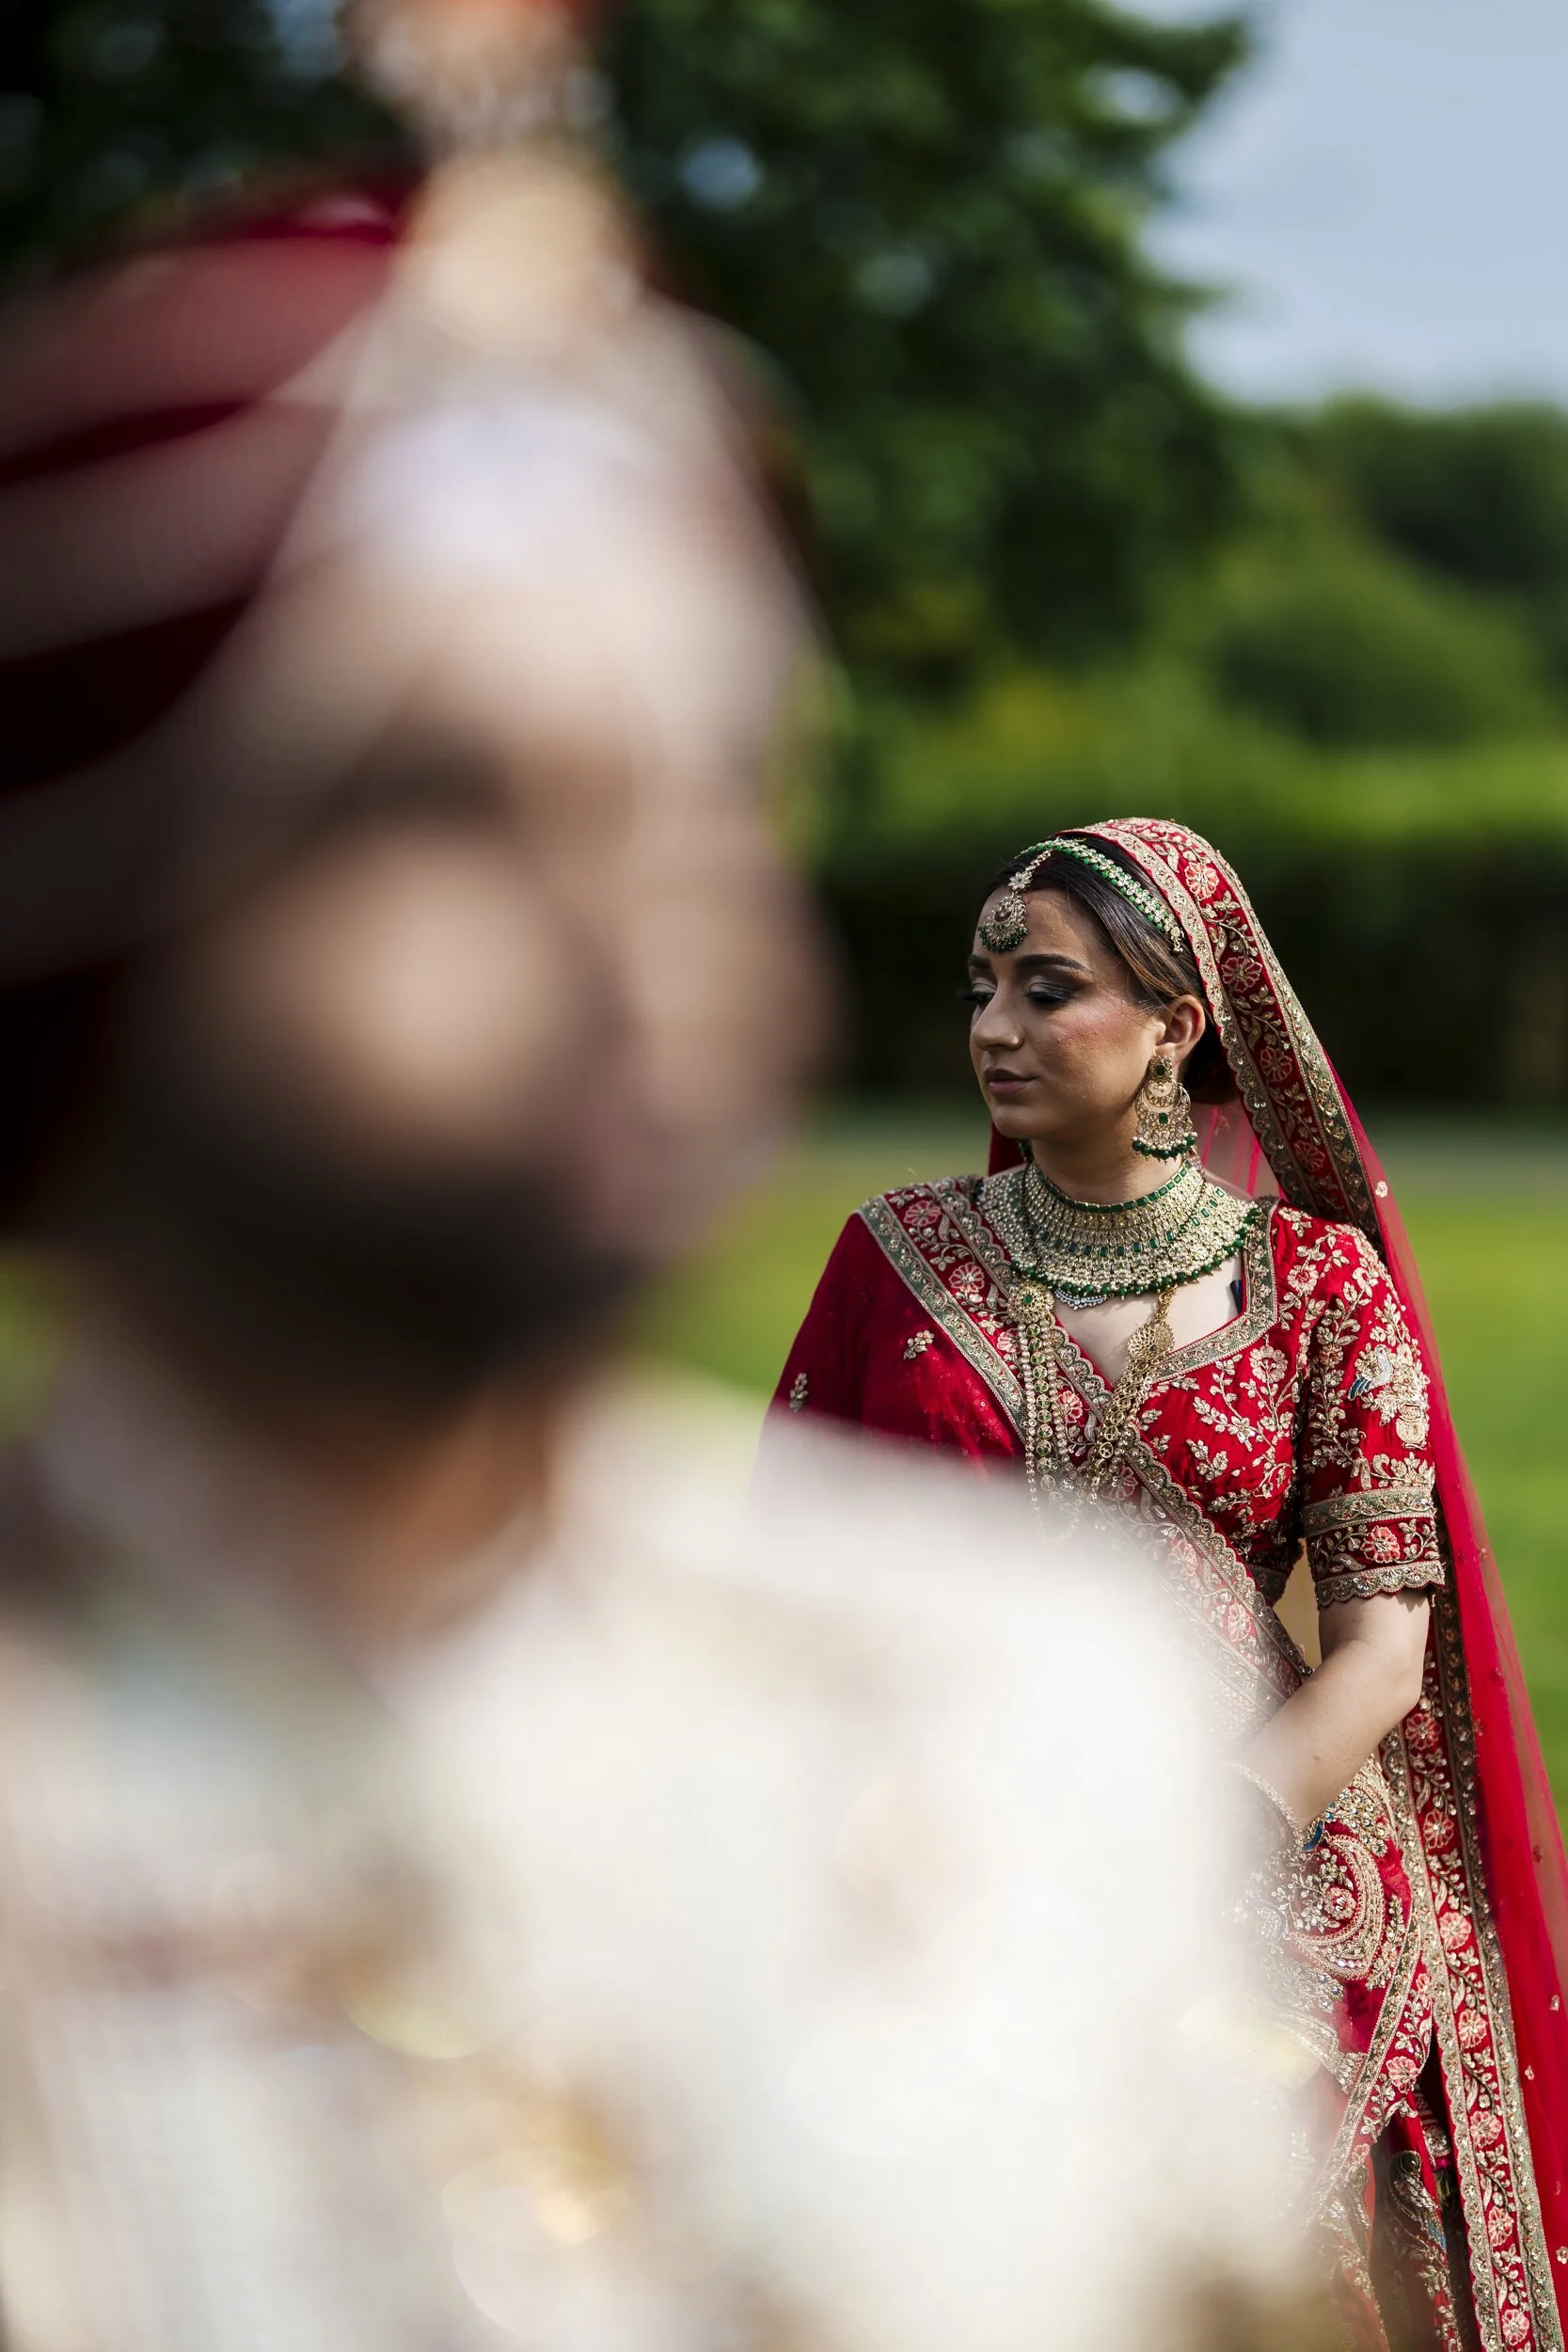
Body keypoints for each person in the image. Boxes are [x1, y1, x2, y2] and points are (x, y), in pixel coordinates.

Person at [0, 38, 1315, 2352]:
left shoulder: (1026, 1706)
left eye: (702, 798)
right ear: (88, 928)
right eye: (450, 814)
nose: (649, 944)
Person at [775, 818, 1568, 2352]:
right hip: (936, 1860)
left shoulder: (1324, 1292)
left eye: (1047, 990)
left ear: (1175, 1027)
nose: (995, 1028)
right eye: (980, 989)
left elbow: (1379, 1656)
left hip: (1264, 1877)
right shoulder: (893, 1262)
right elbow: (795, 1587)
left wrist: (1179, 1856)